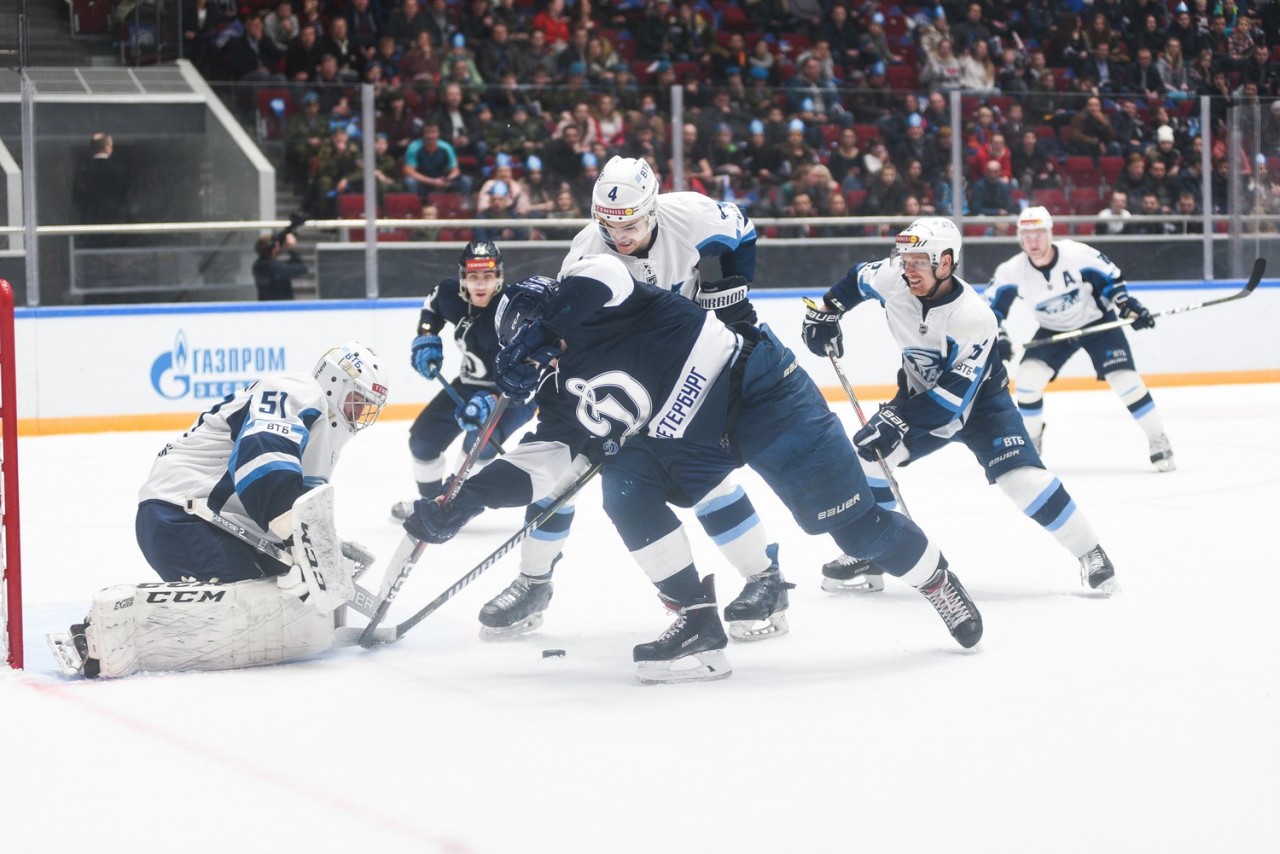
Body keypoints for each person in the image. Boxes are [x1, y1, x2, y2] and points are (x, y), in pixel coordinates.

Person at [402, 255, 985, 684]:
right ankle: (697, 622)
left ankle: (938, 582)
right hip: (687, 438)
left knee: (854, 528)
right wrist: (467, 499)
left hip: (762, 395)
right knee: (624, 485)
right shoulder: (558, 384)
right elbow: (545, 460)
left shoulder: (597, 288)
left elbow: (602, 278)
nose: (547, 358)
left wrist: (546, 325)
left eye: (543, 342)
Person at [476, 156, 795, 644]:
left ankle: (765, 579)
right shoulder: (585, 252)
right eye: (608, 225)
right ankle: (533, 583)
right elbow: (577, 331)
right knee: (558, 477)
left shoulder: (692, 214)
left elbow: (743, 232)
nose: (619, 237)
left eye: (629, 225)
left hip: (694, 364)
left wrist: (726, 287)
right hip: (631, 376)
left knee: (702, 472)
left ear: (652, 209)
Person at [802, 217, 1120, 598]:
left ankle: (1090, 550)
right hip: (921, 396)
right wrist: (827, 310)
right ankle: (874, 553)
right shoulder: (894, 279)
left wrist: (897, 419)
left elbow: (950, 404)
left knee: (1022, 481)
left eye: (919, 262)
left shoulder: (973, 317)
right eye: (906, 260)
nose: (908, 269)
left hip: (983, 407)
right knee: (870, 459)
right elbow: (857, 279)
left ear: (946, 263)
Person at [49, 342, 388, 678]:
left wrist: (322, 547)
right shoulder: (298, 389)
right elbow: (261, 455)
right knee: (253, 611)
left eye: (368, 407)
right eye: (358, 400)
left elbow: (294, 509)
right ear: (334, 381)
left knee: (293, 603)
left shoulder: (325, 440)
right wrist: (303, 542)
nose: (360, 413)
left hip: (225, 527)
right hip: (181, 513)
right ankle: (99, 633)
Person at [986, 207, 1175, 473]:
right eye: (1027, 237)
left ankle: (1158, 439)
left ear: (1050, 233)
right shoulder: (1012, 271)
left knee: (1125, 380)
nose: (1033, 243)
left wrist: (1127, 304)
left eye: (1038, 235)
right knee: (1027, 380)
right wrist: (1000, 337)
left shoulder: (1077, 255)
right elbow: (989, 311)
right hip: (1053, 330)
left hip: (1097, 323)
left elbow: (1112, 280)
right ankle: (1032, 444)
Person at [390, 241, 537, 519]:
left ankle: (451, 503)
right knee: (422, 443)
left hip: (513, 397)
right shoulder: (450, 294)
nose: (480, 284)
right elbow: (433, 306)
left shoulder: (516, 310)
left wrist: (493, 399)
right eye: (473, 276)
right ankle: (431, 503)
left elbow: (531, 372)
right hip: (468, 385)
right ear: (463, 277)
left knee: (477, 445)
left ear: (499, 276)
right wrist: (426, 336)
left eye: (488, 276)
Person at [252, 228, 307, 301]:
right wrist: (291, 249)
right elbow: (302, 268)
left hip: (266, 304)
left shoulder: (257, 265)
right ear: (274, 250)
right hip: (282, 306)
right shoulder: (276, 268)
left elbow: (285, 267)